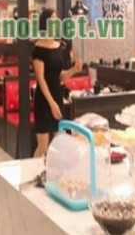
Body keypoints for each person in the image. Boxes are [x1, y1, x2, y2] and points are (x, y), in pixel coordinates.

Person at [32, 9, 83, 158]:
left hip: (57, 96)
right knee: (43, 148)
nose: (56, 21)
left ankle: (53, 171)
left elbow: (59, 76)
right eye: (53, 18)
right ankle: (34, 170)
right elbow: (41, 79)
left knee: (57, 144)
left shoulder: (59, 46)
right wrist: (52, 103)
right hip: (44, 100)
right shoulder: (38, 48)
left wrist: (74, 70)